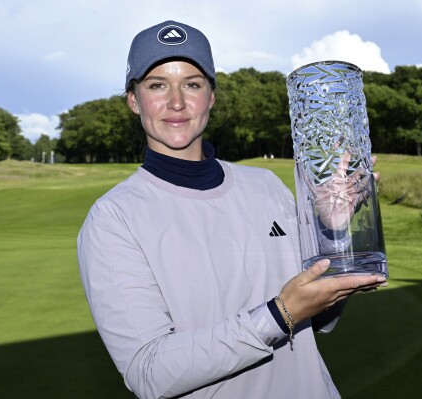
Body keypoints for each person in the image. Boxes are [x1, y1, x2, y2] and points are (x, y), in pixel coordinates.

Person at [77, 20, 387, 399]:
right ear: (133, 99)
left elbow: (321, 319)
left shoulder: (266, 186)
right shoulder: (114, 218)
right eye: (157, 85)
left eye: (192, 84)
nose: (176, 102)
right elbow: (149, 372)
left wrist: (331, 233)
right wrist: (279, 315)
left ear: (211, 97)